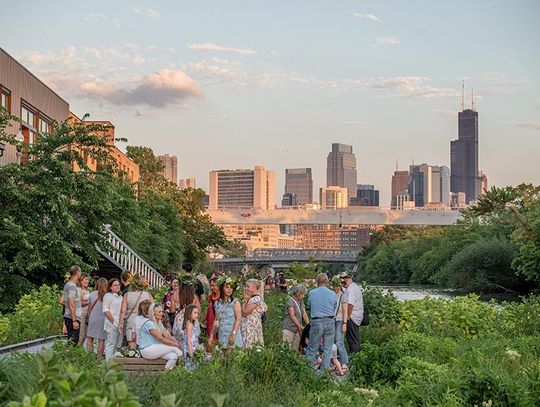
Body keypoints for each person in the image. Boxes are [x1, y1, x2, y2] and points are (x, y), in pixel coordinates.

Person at [135, 302, 183, 370]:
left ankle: (165, 375)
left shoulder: (159, 323)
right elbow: (162, 339)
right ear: (153, 313)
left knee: (173, 356)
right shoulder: (149, 324)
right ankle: (187, 364)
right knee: (174, 348)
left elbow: (168, 336)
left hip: (155, 348)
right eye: (159, 312)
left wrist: (177, 342)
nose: (162, 314)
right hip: (147, 350)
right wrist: (177, 345)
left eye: (162, 311)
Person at [306, 273, 336, 372]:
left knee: (312, 348)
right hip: (330, 321)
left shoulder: (312, 292)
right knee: (328, 349)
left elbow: (310, 304)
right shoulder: (332, 293)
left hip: (317, 321)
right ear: (327, 282)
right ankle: (324, 373)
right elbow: (334, 306)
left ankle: (308, 372)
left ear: (317, 282)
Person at [119, 273, 153, 349]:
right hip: (145, 322)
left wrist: (120, 323)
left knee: (131, 344)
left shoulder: (127, 295)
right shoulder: (147, 295)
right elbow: (153, 309)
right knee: (145, 344)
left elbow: (123, 310)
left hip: (131, 322)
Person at [214, 277, 243, 355]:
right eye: (227, 287)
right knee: (223, 359)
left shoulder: (235, 302)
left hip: (232, 333)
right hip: (222, 333)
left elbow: (238, 319)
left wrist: (233, 334)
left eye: (231, 288)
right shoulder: (217, 303)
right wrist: (212, 335)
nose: (229, 290)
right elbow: (216, 319)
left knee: (231, 358)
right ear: (222, 288)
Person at [240, 279, 268, 349]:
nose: (246, 288)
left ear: (254, 287)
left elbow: (245, 313)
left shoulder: (255, 299)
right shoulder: (254, 298)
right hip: (251, 326)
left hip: (251, 327)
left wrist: (245, 300)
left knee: (251, 346)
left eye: (248, 286)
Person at [341, 272, 364, 354]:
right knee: (355, 337)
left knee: (351, 339)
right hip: (357, 316)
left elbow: (350, 304)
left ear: (347, 278)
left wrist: (347, 316)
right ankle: (357, 356)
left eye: (343, 279)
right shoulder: (353, 287)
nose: (342, 281)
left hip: (352, 317)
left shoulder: (351, 289)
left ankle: (354, 356)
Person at [282, 284, 310, 350]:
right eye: (302, 294)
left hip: (297, 330)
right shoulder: (290, 301)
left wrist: (308, 325)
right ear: (298, 293)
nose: (303, 296)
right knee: (286, 348)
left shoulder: (301, 302)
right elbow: (292, 315)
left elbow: (304, 314)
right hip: (289, 328)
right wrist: (300, 326)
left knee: (295, 349)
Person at [86, 278, 108, 357]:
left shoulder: (92, 294)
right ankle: (98, 359)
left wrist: (88, 318)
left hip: (92, 319)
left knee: (90, 338)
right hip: (103, 320)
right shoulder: (108, 295)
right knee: (101, 340)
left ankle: (89, 357)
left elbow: (89, 309)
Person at [103, 278, 123, 360]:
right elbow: (105, 310)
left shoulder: (120, 296)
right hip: (112, 324)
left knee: (117, 345)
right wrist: (114, 322)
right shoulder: (108, 296)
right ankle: (108, 364)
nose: (117, 286)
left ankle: (113, 365)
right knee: (110, 344)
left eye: (118, 285)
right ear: (110, 287)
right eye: (115, 285)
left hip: (120, 324)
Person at [331, 277, 349, 372]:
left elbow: (345, 311)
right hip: (332, 320)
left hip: (340, 320)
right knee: (333, 342)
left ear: (340, 286)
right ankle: (335, 363)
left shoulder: (343, 296)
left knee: (339, 342)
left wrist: (345, 323)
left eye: (337, 286)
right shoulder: (332, 295)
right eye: (334, 285)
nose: (336, 288)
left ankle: (344, 362)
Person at [63, 266, 82, 344]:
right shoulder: (72, 287)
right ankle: (68, 355)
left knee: (71, 340)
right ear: (77, 273)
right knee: (73, 341)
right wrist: (74, 320)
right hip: (73, 318)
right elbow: (71, 304)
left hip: (68, 316)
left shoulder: (67, 285)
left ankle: (68, 355)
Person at [182, 303, 201, 368]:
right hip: (189, 348)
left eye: (197, 313)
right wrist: (190, 352)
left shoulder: (191, 323)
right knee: (190, 365)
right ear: (189, 313)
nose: (197, 315)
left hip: (193, 346)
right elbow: (188, 339)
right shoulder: (189, 324)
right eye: (195, 313)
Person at [206, 277, 220, 348]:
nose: (212, 287)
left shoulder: (221, 296)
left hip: (216, 318)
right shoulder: (212, 295)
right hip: (210, 318)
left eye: (214, 285)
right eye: (211, 285)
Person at [77, 273, 91, 346]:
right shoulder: (79, 290)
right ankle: (76, 350)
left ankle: (79, 349)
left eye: (88, 280)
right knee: (81, 334)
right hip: (81, 314)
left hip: (87, 314)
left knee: (85, 334)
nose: (87, 281)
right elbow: (79, 303)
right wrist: (90, 302)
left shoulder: (86, 290)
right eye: (85, 279)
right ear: (81, 280)